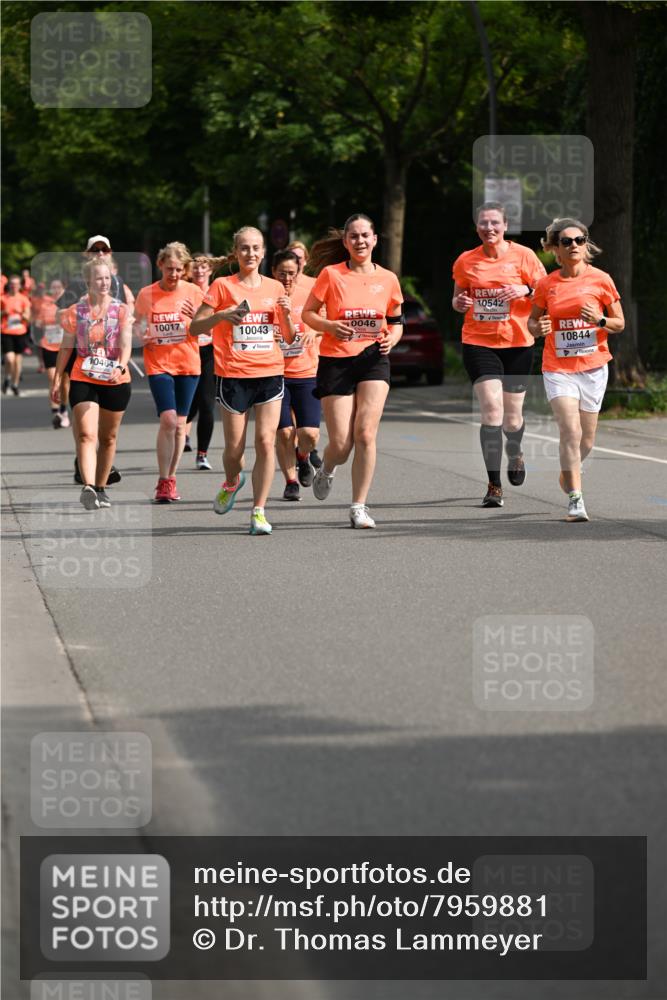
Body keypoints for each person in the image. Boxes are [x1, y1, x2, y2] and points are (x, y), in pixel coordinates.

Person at [301, 213, 404, 529]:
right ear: (345, 242)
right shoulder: (331, 275)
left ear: (375, 239)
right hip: (337, 361)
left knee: (365, 434)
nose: (360, 241)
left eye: (365, 235)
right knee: (342, 443)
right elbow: (308, 314)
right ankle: (328, 468)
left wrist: (392, 341)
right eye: (354, 236)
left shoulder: (387, 279)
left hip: (374, 358)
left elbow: (396, 322)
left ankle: (358, 506)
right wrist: (330, 325)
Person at [190, 226, 294, 535]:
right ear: (236, 252)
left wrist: (287, 316)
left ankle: (258, 511)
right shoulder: (223, 286)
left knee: (265, 441)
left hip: (270, 373)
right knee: (234, 451)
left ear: (264, 252)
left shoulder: (276, 288)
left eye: (256, 248)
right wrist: (221, 317)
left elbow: (288, 337)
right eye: (244, 248)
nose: (250, 253)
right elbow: (195, 328)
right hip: (233, 375)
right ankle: (233, 481)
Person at [528, 218, 624, 522]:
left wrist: (599, 320)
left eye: (579, 240)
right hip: (558, 367)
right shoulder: (547, 284)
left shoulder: (602, 279)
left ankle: (567, 472)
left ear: (586, 245)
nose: (574, 246)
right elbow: (532, 322)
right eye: (566, 241)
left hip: (594, 367)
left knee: (587, 440)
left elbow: (619, 323)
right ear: (555, 248)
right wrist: (538, 328)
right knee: (570, 432)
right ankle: (576, 500)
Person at [452, 202, 546, 507]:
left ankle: (515, 452)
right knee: (491, 410)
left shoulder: (524, 256)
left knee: (512, 417)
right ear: (477, 227)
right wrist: (461, 303)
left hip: (518, 342)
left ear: (505, 226)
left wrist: (525, 291)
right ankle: (494, 485)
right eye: (483, 223)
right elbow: (457, 299)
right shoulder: (467, 260)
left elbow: (545, 291)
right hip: (478, 341)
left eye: (494, 223)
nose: (488, 228)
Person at [53, 259, 132, 510]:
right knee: (87, 434)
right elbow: (66, 348)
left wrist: (120, 365)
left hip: (114, 378)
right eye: (99, 278)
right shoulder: (75, 311)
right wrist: (57, 379)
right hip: (83, 376)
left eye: (107, 278)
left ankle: (100, 488)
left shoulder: (121, 310)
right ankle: (88, 487)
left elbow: (126, 343)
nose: (104, 282)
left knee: (108, 437)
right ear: (88, 281)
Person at [133, 242, 203, 503]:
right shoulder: (146, 294)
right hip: (159, 364)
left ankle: (170, 479)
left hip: (188, 364)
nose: (174, 274)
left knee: (180, 427)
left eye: (179, 269)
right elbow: (134, 326)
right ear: (160, 265)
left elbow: (209, 327)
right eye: (170, 268)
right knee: (169, 420)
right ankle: (163, 479)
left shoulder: (194, 292)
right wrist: (143, 335)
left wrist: (196, 316)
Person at [272, 249, 321, 500]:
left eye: (292, 273)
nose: (287, 278)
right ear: (273, 273)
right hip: (274, 373)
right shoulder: (265, 296)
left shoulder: (309, 294)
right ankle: (290, 481)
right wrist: (270, 336)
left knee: (309, 434)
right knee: (284, 433)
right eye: (282, 273)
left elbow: (327, 322)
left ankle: (303, 456)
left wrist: (316, 332)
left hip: (306, 372)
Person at [183, 253, 225, 469]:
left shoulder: (218, 292)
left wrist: (201, 319)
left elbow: (222, 326)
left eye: (204, 267)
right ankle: (182, 434)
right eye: (195, 267)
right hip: (186, 351)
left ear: (210, 270)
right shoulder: (185, 291)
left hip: (209, 351)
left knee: (207, 405)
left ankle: (202, 454)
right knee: (189, 406)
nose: (199, 271)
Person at [287, 240, 322, 470]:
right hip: (281, 364)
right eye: (292, 257)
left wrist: (314, 331)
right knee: (287, 421)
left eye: (300, 258)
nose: (297, 261)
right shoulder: (276, 287)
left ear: (306, 261)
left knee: (306, 417)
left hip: (310, 360)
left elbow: (328, 318)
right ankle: (298, 455)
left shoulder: (315, 285)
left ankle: (307, 449)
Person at [34, 278, 70, 427]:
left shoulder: (69, 305)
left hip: (65, 347)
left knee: (65, 382)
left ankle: (64, 409)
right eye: (53, 288)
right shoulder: (45, 305)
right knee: (52, 378)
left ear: (63, 289)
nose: (56, 290)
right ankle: (55, 411)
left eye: (58, 287)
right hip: (49, 346)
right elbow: (38, 323)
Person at [1, 275, 31, 395]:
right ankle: (7, 377)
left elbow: (28, 318)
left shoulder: (24, 299)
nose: (14, 286)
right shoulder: (3, 298)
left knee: (18, 362)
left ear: (19, 286)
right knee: (9, 359)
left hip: (20, 332)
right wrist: (3, 312)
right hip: (6, 332)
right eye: (12, 284)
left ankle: (14, 384)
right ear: (9, 285)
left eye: (16, 284)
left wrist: (23, 315)